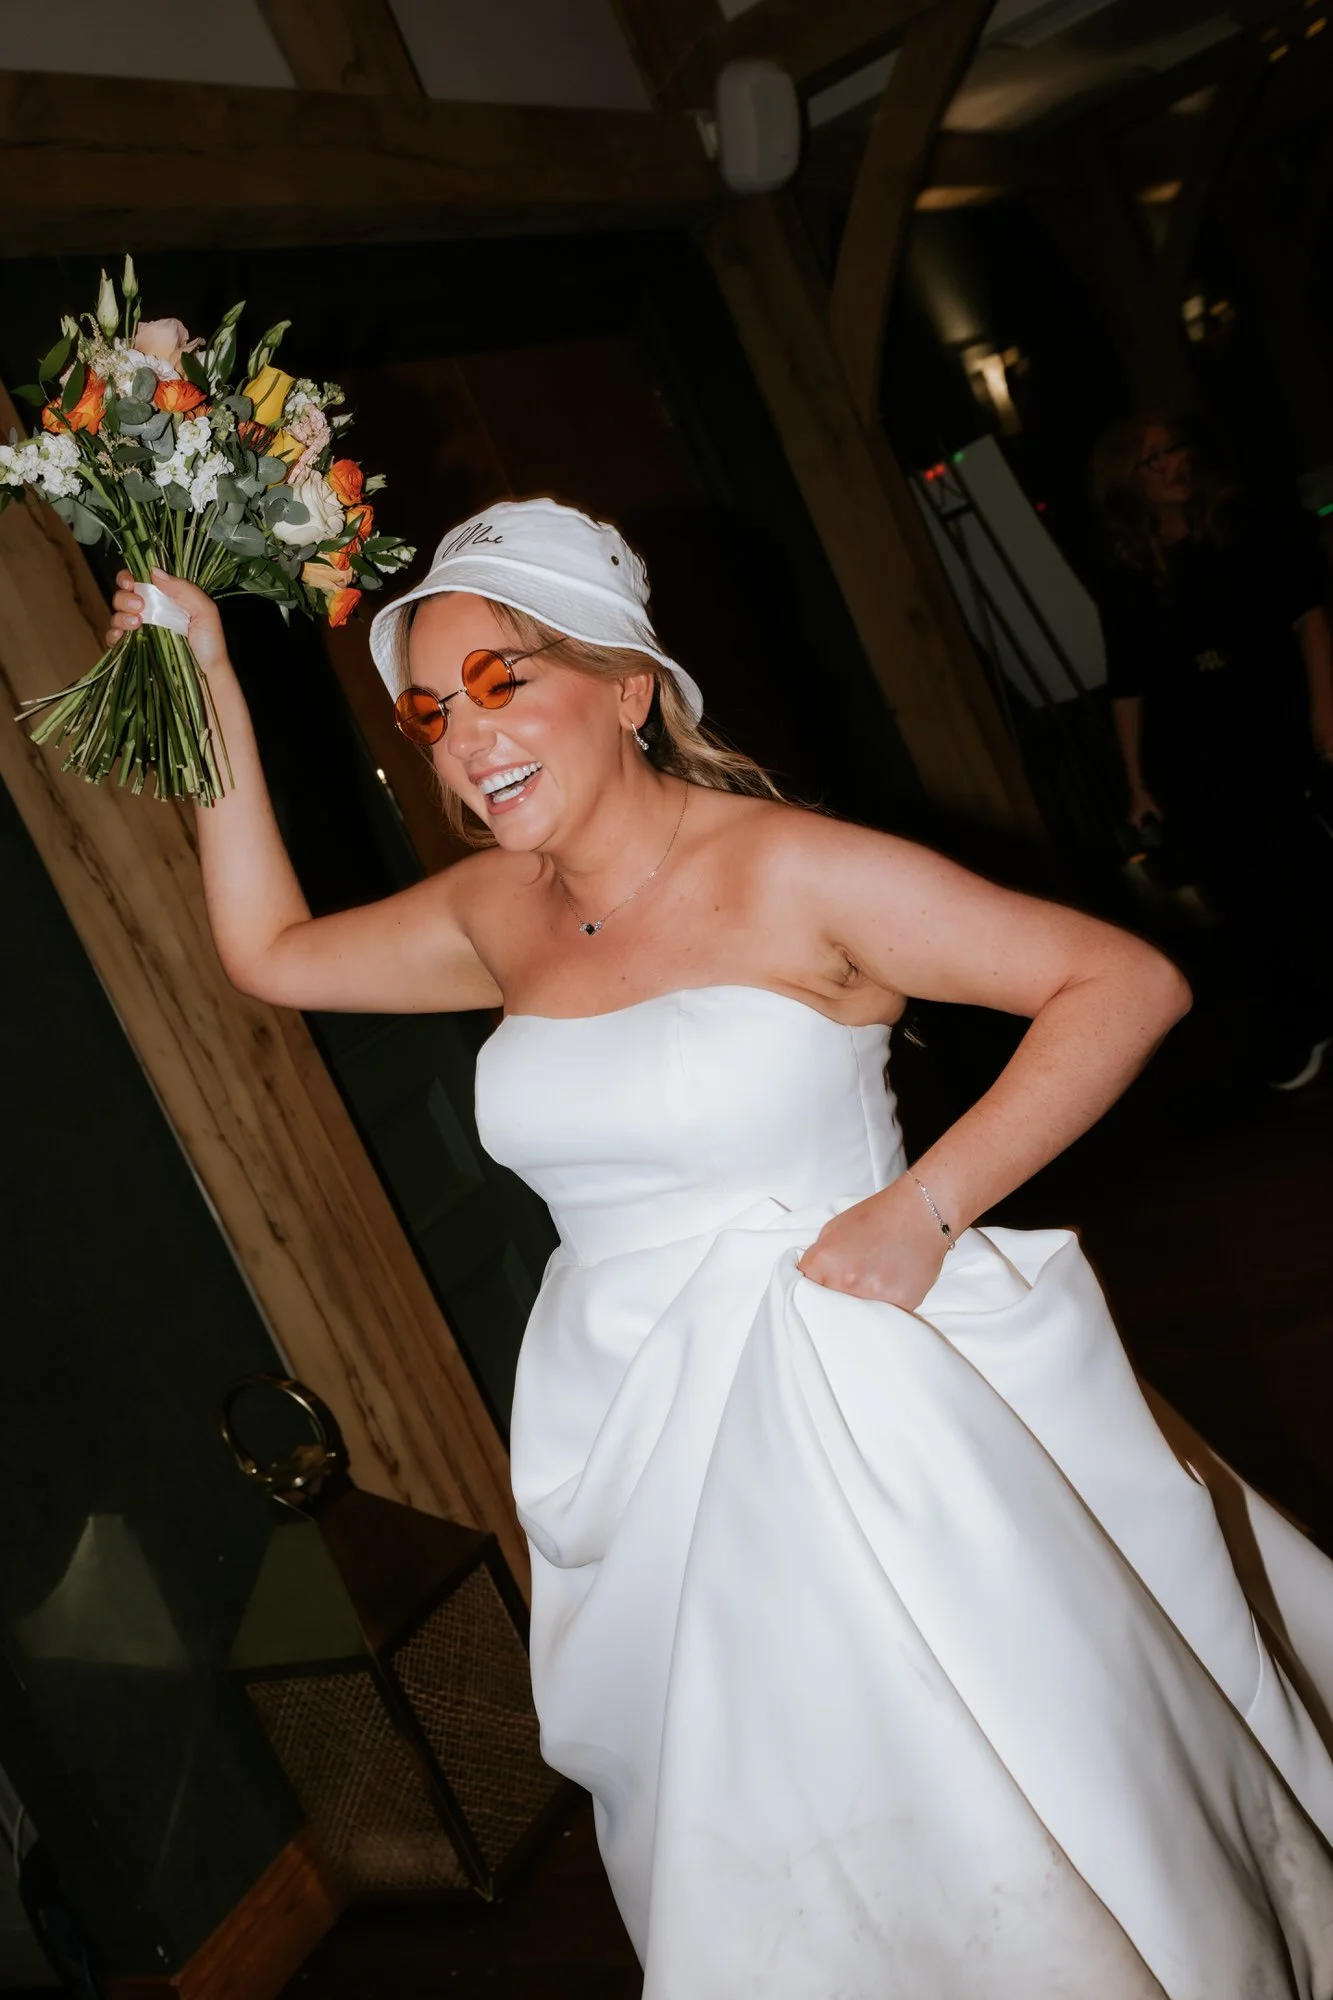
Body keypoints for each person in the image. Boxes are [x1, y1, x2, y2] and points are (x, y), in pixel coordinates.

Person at [107, 499, 1333, 1997]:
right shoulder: (500, 908)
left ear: (629, 686)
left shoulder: (798, 872)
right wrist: (212, 679)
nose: (459, 738)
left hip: (851, 1416)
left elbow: (1120, 981)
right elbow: (269, 954)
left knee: (965, 1803)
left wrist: (924, 1206)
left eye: (503, 681)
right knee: (741, 1846)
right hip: (628, 1430)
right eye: (431, 708)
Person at [1094, 416, 1333, 1090]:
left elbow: (1308, 618)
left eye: (1175, 448)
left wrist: (1324, 712)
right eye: (1153, 457)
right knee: (1246, 894)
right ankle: (1301, 1026)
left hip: (1275, 724)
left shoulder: (1247, 524)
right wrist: (1136, 781)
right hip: (1194, 753)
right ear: (1127, 482)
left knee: (1312, 868)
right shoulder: (1127, 565)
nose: (1173, 463)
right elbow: (1127, 681)